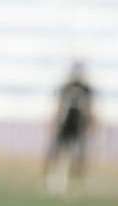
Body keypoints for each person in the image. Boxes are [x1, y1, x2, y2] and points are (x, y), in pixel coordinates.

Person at [44, 61, 95, 196]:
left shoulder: (86, 89)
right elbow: (59, 107)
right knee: (58, 153)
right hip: (65, 125)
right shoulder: (66, 87)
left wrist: (92, 123)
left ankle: (77, 182)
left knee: (79, 155)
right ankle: (55, 179)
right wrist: (55, 122)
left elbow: (89, 109)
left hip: (79, 125)